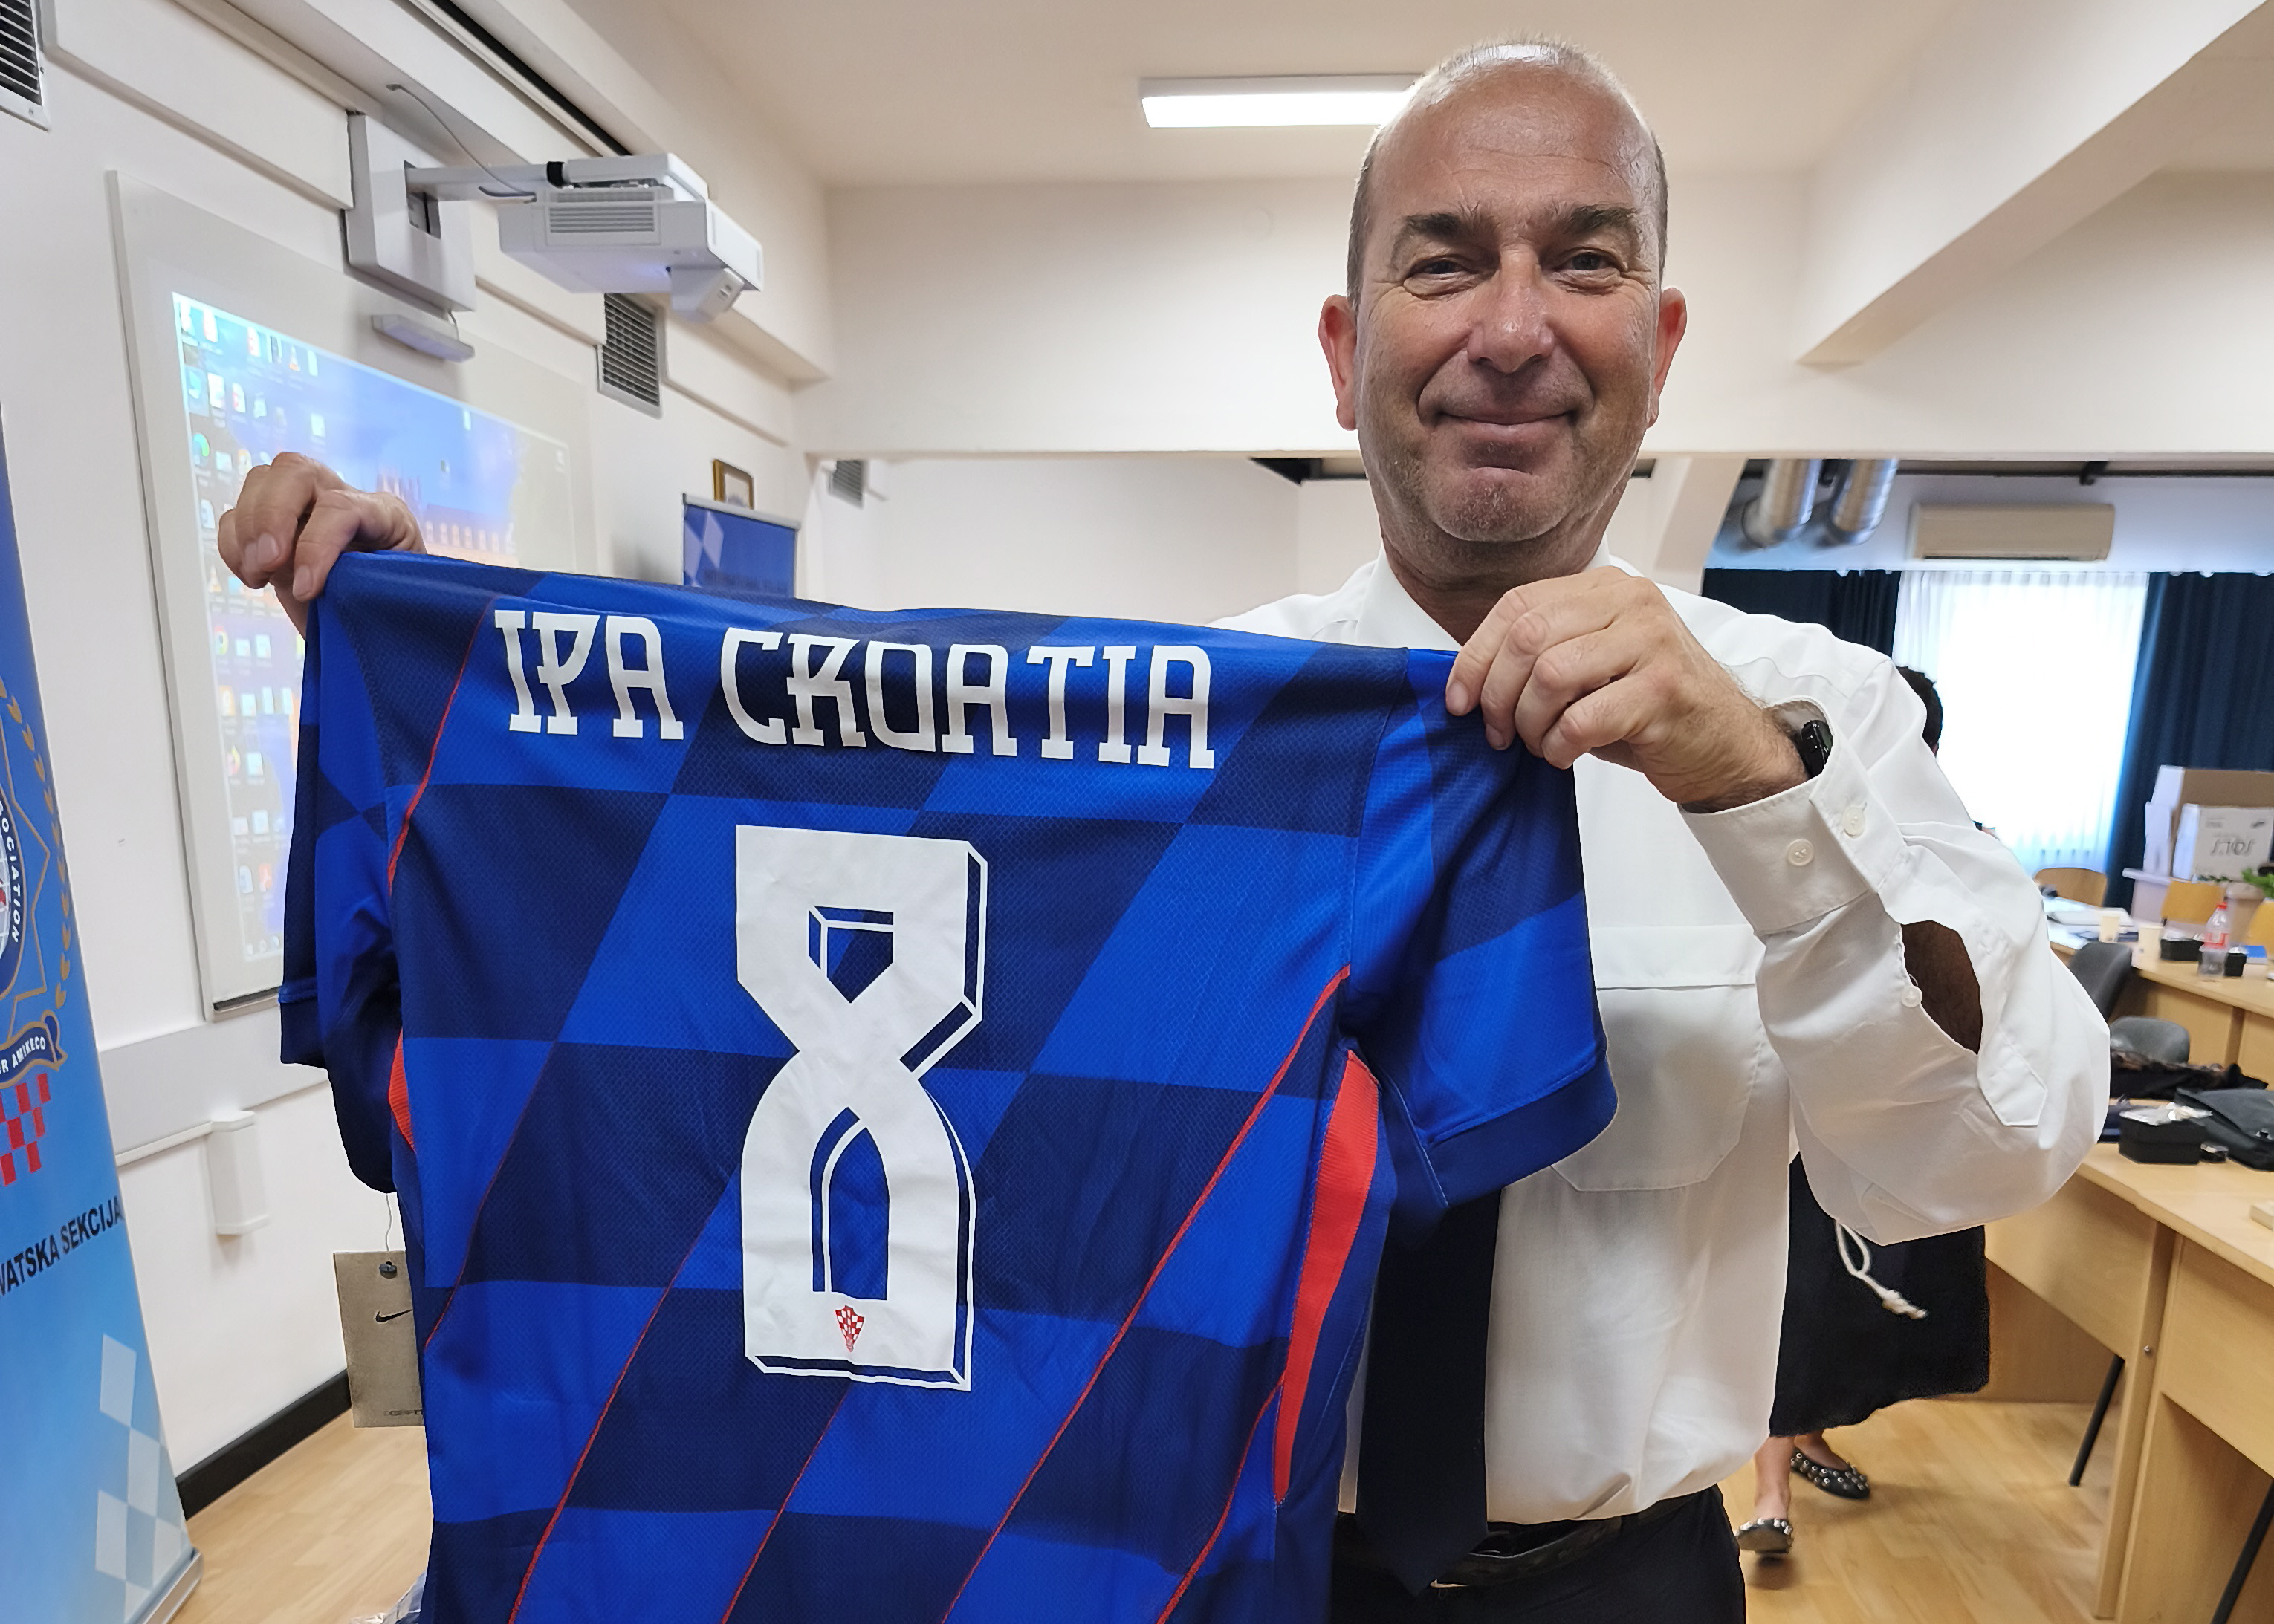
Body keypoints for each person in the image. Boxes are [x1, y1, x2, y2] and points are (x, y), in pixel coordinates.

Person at [216, 36, 2107, 1624]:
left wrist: (1758, 796)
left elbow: (1990, 1151)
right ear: (1346, 345)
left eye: (1584, 260)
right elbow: (765, 825)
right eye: (1447, 262)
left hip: (1621, 1580)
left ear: (1665, 336)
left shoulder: (1819, 715)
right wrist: (451, 677)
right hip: (1201, 1568)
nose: (1514, 325)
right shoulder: (1182, 732)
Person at [1735, 666, 1994, 1559]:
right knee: (1799, 1292)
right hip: (1794, 1098)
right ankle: (1771, 1490)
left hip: (1893, 1102)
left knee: (1846, 1299)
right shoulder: (1788, 824)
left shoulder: (1954, 847)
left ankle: (1807, 1435)